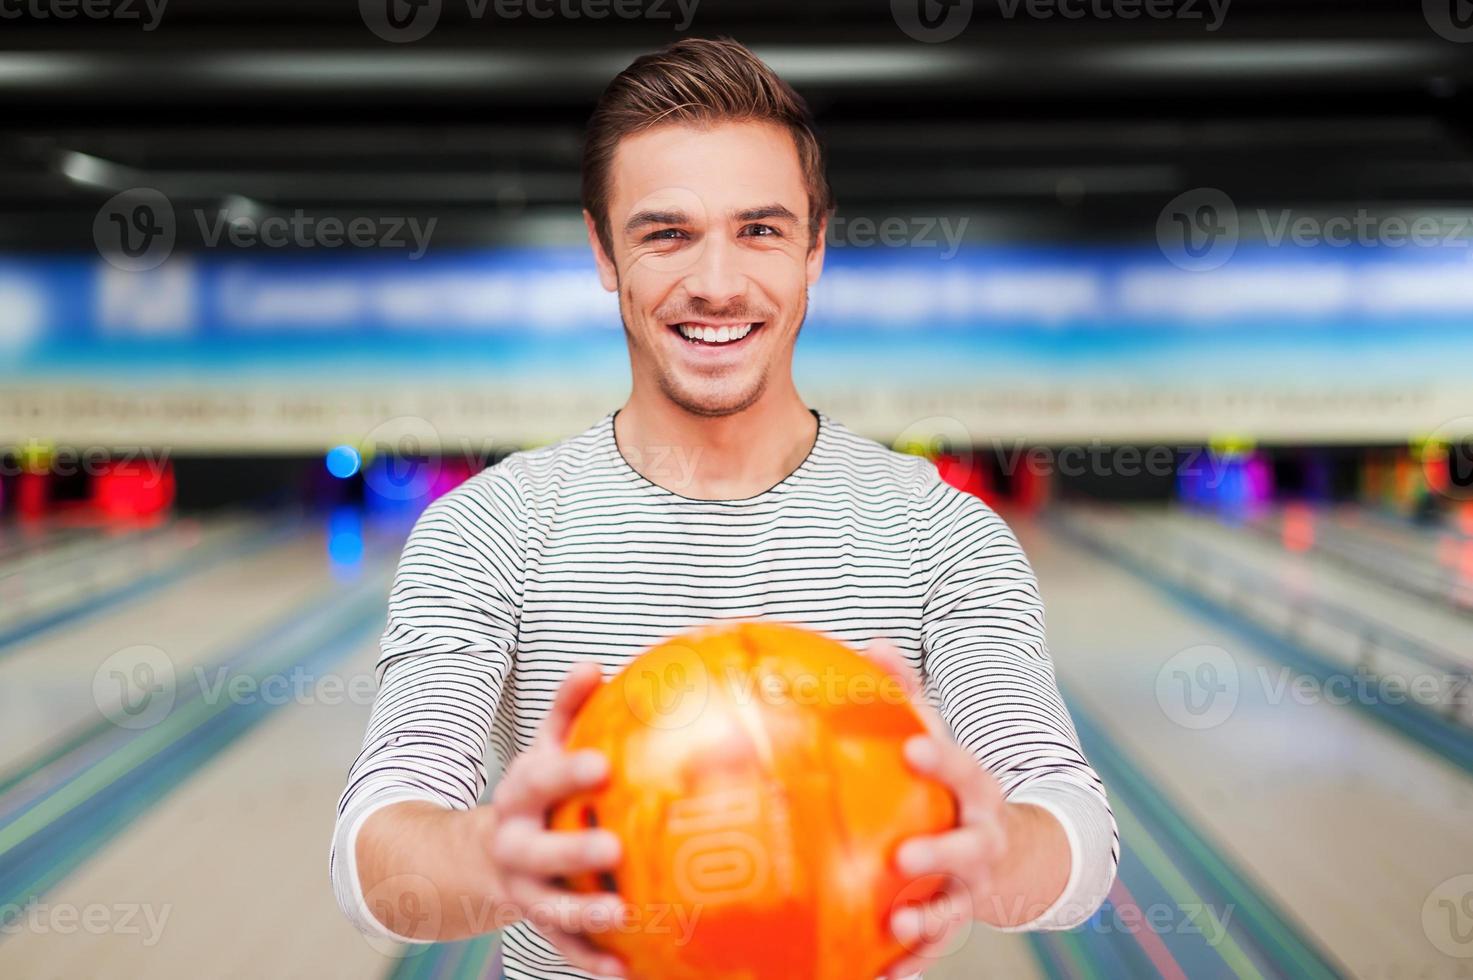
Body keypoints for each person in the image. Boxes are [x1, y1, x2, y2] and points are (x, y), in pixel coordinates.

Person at [330, 36, 1118, 980]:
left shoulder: (939, 533)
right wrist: (501, 853)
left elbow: (1070, 825)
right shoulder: (488, 530)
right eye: (666, 232)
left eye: (760, 229)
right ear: (602, 251)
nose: (714, 282)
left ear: (815, 248)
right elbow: (375, 848)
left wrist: (1001, 849)